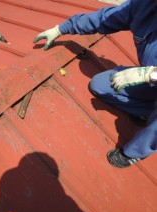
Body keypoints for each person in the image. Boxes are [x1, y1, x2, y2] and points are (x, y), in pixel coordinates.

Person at [33, 0, 157, 168]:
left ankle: (135, 152)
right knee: (102, 85)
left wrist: (150, 74)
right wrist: (61, 28)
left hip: (151, 76)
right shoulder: (144, 5)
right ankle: (149, 111)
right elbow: (105, 18)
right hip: (151, 81)